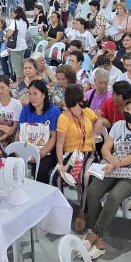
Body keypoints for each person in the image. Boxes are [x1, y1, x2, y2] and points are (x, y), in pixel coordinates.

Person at [83, 96, 131, 260]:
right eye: (128, 109)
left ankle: (93, 234)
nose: (129, 113)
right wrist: (110, 159)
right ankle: (99, 237)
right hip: (113, 167)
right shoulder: (118, 125)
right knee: (93, 190)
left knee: (114, 196)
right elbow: (106, 147)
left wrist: (116, 163)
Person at [54, 84, 99, 232]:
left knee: (86, 176)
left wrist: (98, 123)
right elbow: (59, 144)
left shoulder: (87, 112)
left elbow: (98, 116)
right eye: (83, 96)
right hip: (72, 154)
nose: (86, 98)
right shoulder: (64, 117)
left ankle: (82, 212)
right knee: (58, 177)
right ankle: (62, 211)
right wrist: (60, 163)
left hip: (88, 153)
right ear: (78, 99)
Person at [6, 6, 29, 80]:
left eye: (13, 12)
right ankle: (23, 80)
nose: (12, 14)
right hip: (22, 45)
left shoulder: (14, 21)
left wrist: (5, 36)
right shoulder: (25, 22)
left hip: (16, 46)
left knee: (16, 65)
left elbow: (9, 34)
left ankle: (19, 82)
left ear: (16, 13)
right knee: (21, 64)